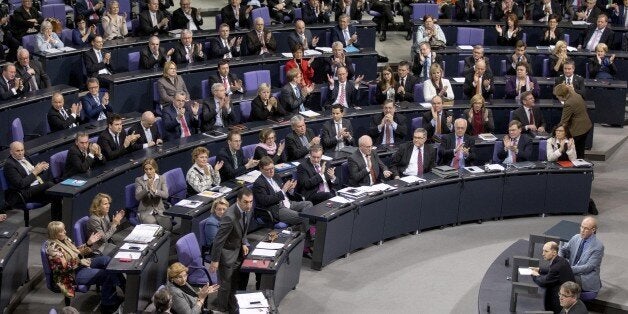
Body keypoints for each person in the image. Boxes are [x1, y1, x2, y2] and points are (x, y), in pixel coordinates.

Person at [45, 221, 123, 313]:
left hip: (79, 265)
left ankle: (123, 287)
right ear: (54, 234)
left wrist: (88, 243)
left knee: (107, 260)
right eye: (61, 231)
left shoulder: (65, 239)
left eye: (64, 229)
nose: (65, 232)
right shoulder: (53, 248)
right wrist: (79, 260)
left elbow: (76, 252)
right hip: (70, 275)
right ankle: (107, 305)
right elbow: (64, 267)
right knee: (106, 275)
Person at [209, 188, 253, 313]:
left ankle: (231, 304)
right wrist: (215, 261)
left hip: (238, 250)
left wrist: (243, 242)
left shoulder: (247, 210)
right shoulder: (229, 216)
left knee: (234, 282)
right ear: (238, 200)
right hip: (226, 255)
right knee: (225, 285)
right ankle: (222, 309)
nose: (249, 205)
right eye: (245, 202)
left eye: (251, 202)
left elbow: (243, 230)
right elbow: (219, 240)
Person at [4, 141, 62, 220]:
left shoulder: (25, 157)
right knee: (50, 186)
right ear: (11, 152)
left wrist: (41, 167)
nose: (21, 153)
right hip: (24, 192)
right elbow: (21, 184)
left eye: (22, 150)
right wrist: (35, 172)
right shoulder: (9, 165)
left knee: (55, 194)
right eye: (17, 151)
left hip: (35, 186)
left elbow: (33, 170)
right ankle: (56, 222)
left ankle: (56, 222)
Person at [253, 157, 312, 228]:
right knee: (303, 216)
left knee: (308, 204)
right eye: (268, 169)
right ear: (261, 169)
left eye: (272, 168)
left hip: (288, 203)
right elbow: (265, 201)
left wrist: (290, 190)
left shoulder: (276, 176)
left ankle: (302, 230)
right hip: (277, 209)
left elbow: (285, 193)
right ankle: (308, 234)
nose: (271, 171)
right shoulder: (259, 183)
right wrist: (283, 190)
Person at [559, 216, 604, 298]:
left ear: (593, 230)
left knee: (561, 278)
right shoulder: (576, 237)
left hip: (585, 277)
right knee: (557, 274)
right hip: (572, 271)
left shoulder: (598, 246)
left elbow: (588, 267)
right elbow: (563, 250)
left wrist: (568, 269)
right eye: (582, 227)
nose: (582, 230)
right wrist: (559, 262)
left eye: (586, 228)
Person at [531, 241, 576, 314]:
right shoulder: (561, 260)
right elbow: (551, 269)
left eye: (546, 251)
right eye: (543, 251)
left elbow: (543, 282)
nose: (543, 254)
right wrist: (539, 269)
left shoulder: (556, 267)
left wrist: (535, 275)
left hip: (560, 300)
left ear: (554, 253)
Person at [553, 83, 592, 158]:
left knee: (571, 150)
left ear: (562, 96)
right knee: (580, 149)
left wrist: (555, 132)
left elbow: (563, 122)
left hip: (578, 130)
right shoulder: (575, 94)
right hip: (586, 125)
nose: (557, 97)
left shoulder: (568, 103)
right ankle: (581, 165)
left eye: (557, 96)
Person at [135, 158, 172, 230]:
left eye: (150, 169)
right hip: (145, 211)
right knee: (154, 228)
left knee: (168, 227)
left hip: (159, 210)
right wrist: (147, 189)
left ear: (155, 168)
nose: (148, 172)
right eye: (146, 169)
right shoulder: (139, 180)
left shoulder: (161, 178)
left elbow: (166, 195)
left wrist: (155, 191)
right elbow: (138, 197)